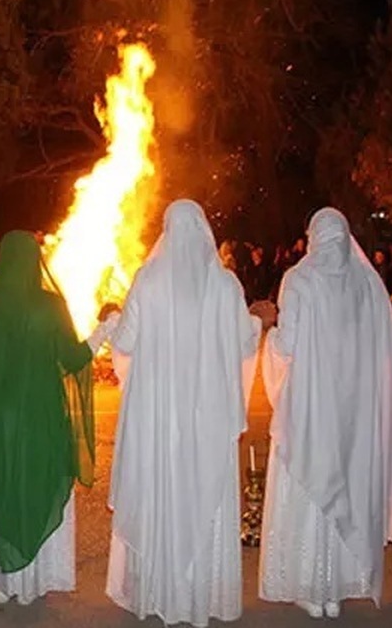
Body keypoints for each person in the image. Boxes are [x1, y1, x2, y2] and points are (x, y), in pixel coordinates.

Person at [105, 201, 265, 625]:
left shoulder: (149, 278)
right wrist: (255, 326)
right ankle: (198, 597)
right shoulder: (225, 284)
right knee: (202, 493)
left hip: (158, 414)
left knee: (162, 490)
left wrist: (114, 326)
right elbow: (245, 344)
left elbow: (125, 341)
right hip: (207, 415)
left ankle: (159, 592)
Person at [0, 231, 113, 607]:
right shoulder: (51, 305)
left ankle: (2, 580)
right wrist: (105, 331)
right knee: (35, 484)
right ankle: (35, 580)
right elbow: (74, 358)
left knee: (0, 485)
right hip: (40, 412)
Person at [259, 208, 392, 619]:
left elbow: (286, 346)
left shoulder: (299, 279)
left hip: (310, 404)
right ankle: (339, 585)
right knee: (349, 481)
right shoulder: (368, 283)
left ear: (312, 236)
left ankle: (312, 586)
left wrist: (269, 334)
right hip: (355, 408)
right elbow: (385, 346)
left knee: (310, 482)